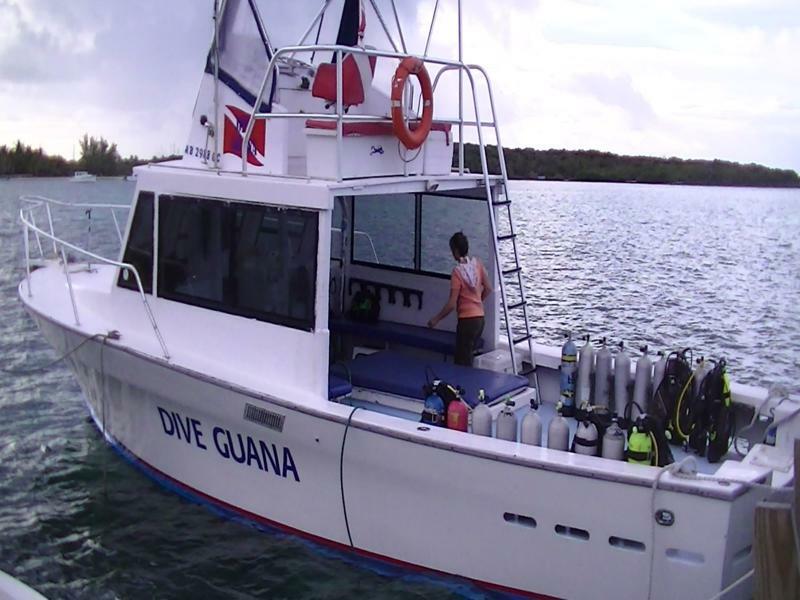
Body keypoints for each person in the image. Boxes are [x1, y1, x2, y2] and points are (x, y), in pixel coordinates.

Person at [427, 232, 492, 366]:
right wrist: (478, 302)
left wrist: (436, 319)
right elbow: (489, 288)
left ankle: (463, 385)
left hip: (467, 321)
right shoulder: (478, 265)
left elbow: (451, 304)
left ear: (456, 250)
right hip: (480, 319)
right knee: (468, 356)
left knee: (462, 361)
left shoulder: (457, 273)